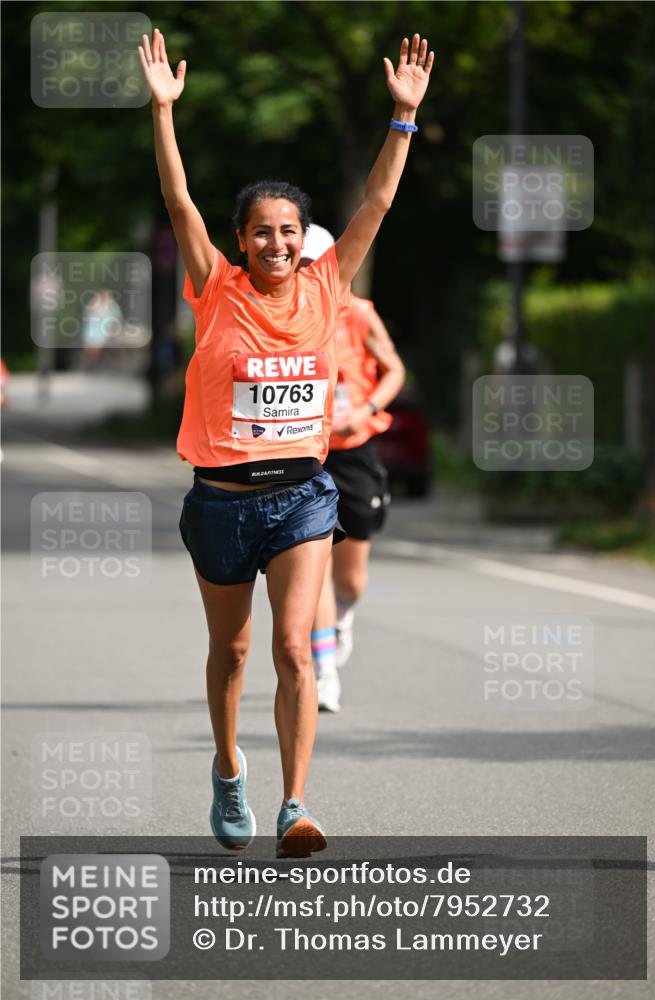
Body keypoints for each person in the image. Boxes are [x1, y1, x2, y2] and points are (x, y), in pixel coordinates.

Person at [138, 28, 434, 857]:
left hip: (303, 495)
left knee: (293, 650)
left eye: (288, 232)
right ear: (242, 240)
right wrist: (163, 113)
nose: (275, 243)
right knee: (230, 653)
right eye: (261, 231)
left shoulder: (327, 285)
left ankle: (294, 803)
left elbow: (375, 204)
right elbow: (178, 203)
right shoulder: (215, 288)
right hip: (221, 501)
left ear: (306, 241)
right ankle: (229, 769)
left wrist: (402, 120)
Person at [300, 227, 405, 712]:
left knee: (351, 581)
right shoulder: (282, 316)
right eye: (300, 265)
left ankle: (342, 620)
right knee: (313, 564)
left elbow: (394, 370)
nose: (306, 274)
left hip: (355, 449)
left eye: (313, 264)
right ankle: (324, 671)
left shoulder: (359, 314)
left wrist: (365, 411)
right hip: (305, 453)